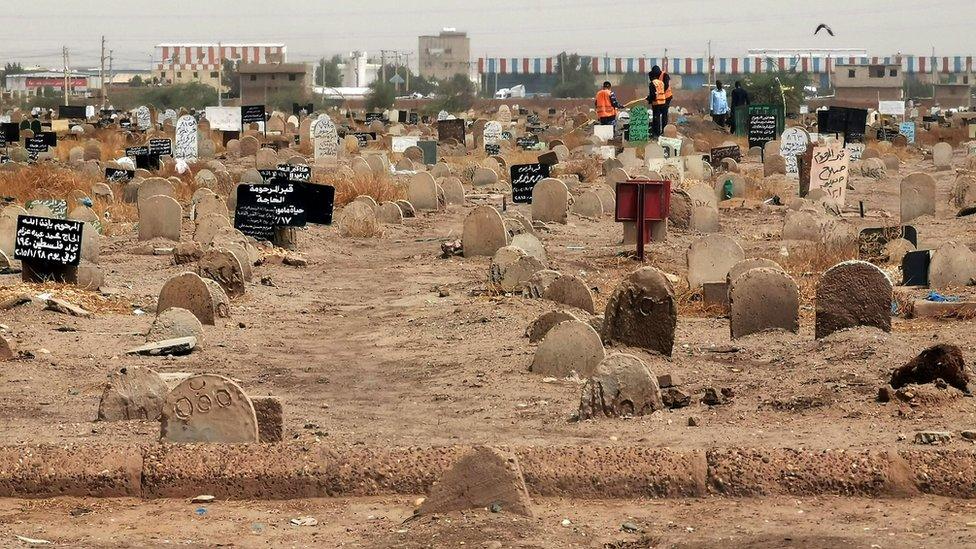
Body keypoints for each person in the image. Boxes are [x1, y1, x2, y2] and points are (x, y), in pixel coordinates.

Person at [647, 66, 667, 137]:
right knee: (662, 118)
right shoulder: (661, 82)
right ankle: (662, 132)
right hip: (663, 102)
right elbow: (660, 91)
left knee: (656, 118)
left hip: (656, 103)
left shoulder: (652, 83)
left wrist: (649, 99)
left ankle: (656, 134)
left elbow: (653, 95)